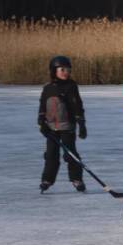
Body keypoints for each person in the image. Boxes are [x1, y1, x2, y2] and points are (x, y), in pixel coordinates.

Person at [37, 55, 87, 193]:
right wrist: (41, 122)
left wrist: (81, 123)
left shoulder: (71, 86)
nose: (66, 72)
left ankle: (76, 179)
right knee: (51, 155)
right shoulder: (48, 88)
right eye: (62, 69)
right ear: (54, 71)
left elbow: (78, 105)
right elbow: (42, 106)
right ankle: (47, 179)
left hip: (67, 127)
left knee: (70, 154)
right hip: (51, 128)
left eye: (68, 70)